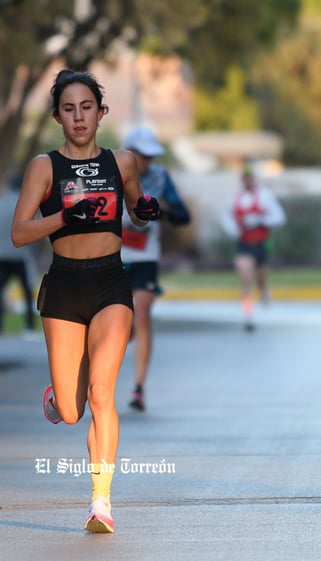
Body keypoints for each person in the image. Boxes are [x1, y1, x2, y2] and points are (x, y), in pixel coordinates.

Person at [11, 69, 162, 533]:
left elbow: (136, 209)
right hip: (63, 285)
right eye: (69, 109)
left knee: (101, 392)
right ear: (58, 116)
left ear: (101, 112)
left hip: (111, 283)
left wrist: (145, 210)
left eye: (87, 107)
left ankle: (102, 502)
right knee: (74, 410)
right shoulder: (44, 167)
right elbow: (19, 233)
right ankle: (58, 398)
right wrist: (62, 216)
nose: (79, 117)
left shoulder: (123, 162)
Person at [120, 126, 191, 413]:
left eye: (151, 156)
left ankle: (138, 388)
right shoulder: (113, 174)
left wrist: (159, 211)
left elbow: (184, 215)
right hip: (112, 255)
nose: (147, 161)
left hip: (145, 257)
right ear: (129, 152)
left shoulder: (161, 178)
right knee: (122, 324)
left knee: (143, 316)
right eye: (142, 155)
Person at [220, 166, 286, 332]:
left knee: (260, 278)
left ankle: (264, 291)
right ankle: (248, 317)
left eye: (250, 178)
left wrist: (260, 220)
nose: (248, 181)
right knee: (246, 279)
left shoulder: (265, 196)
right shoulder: (235, 198)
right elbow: (226, 218)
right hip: (244, 244)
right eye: (245, 178)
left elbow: (279, 217)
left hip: (261, 243)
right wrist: (235, 230)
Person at [0, 174, 37, 338]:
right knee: (27, 291)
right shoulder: (27, 204)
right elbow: (36, 229)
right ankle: (29, 326)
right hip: (22, 254)